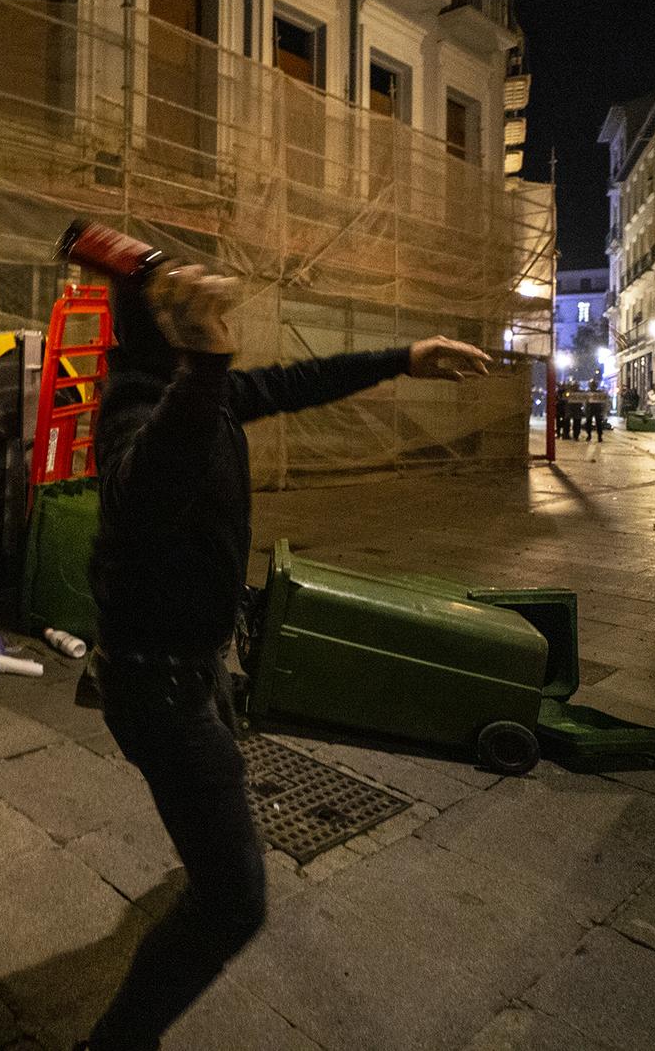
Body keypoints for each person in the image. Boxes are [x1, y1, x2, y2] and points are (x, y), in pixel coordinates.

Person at [81, 263, 489, 1051]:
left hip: (197, 668)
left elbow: (299, 382)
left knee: (221, 791)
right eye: (184, 313)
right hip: (154, 687)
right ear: (162, 335)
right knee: (235, 903)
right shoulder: (137, 402)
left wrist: (403, 357)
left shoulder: (208, 393)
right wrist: (204, 368)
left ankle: (203, 865)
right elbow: (141, 490)